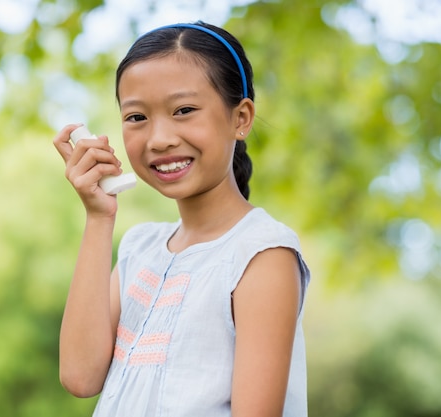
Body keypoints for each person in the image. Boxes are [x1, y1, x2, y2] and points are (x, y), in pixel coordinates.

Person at [53, 21, 310, 417]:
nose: (159, 139)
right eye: (137, 117)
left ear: (240, 118)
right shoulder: (140, 247)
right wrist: (98, 218)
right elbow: (80, 377)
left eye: (184, 110)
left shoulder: (260, 254)